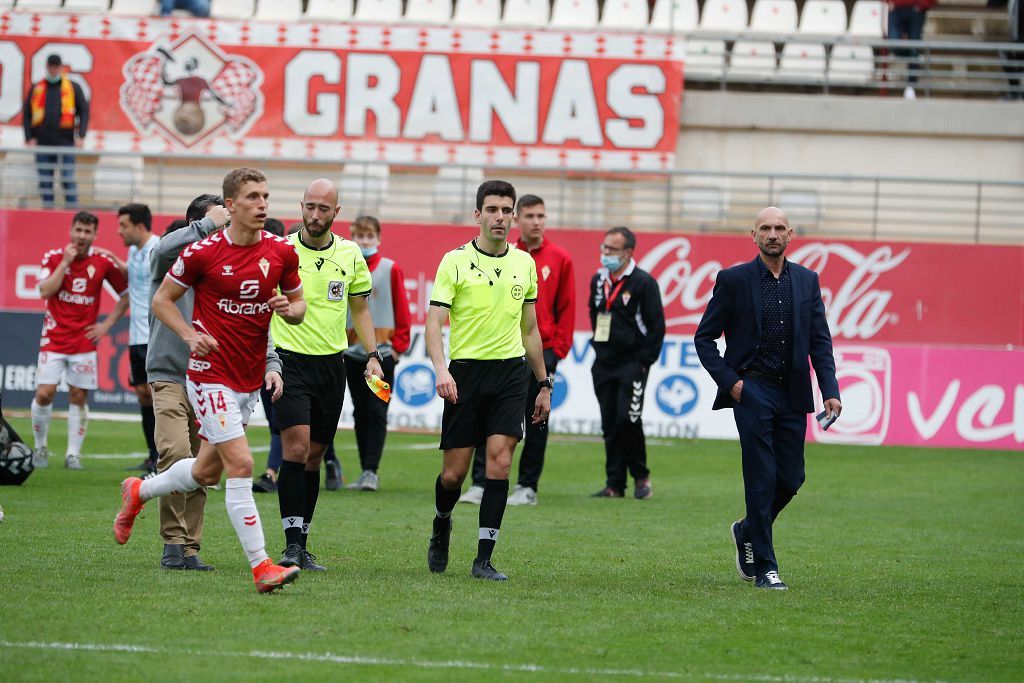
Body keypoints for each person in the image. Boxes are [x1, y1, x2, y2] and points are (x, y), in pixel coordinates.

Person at [115, 168, 306, 593]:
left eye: (266, 196)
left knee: (204, 471)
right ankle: (262, 567)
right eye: (253, 197)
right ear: (231, 205)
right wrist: (189, 335)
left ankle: (138, 492)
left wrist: (288, 309)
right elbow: (163, 300)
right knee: (241, 464)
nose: (262, 204)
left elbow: (299, 306)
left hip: (246, 380)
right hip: (208, 376)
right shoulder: (202, 252)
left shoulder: (280, 252)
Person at [694, 206, 842, 591]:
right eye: (765, 228)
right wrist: (732, 383)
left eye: (779, 228)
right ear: (753, 235)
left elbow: (820, 341)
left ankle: (747, 529)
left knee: (791, 478)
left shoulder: (808, 281)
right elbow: (704, 338)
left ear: (790, 234)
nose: (772, 234)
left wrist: (830, 391)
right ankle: (766, 568)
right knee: (760, 478)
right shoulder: (734, 280)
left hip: (793, 392)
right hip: (752, 389)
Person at [144, 197, 282, 571]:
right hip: (171, 372)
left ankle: (190, 546)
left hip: (214, 376)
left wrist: (271, 362)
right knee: (175, 452)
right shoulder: (173, 255)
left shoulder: (231, 267)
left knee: (206, 466)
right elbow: (157, 252)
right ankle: (173, 543)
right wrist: (205, 226)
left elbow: (254, 323)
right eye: (218, 222)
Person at [425, 179, 552, 582]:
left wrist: (544, 383)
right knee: (454, 476)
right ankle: (442, 521)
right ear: (478, 215)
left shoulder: (524, 263)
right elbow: (433, 323)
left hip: (510, 374)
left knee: (499, 463)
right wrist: (441, 370)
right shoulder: (455, 261)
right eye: (492, 210)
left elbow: (530, 330)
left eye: (506, 210)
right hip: (465, 373)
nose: (500, 217)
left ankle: (484, 558)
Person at [271, 179, 382, 571]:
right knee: (296, 450)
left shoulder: (351, 255)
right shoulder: (280, 250)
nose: (315, 215)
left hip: (331, 365)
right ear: (301, 206)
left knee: (315, 456)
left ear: (337, 213)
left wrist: (372, 354)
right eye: (310, 207)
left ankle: (301, 543)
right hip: (289, 361)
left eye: (323, 209)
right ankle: (288, 545)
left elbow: (361, 310)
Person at [460, 194, 575, 506]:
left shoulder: (560, 258)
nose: (536, 222)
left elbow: (567, 307)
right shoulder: (505, 255)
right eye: (530, 216)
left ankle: (527, 486)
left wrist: (557, 351)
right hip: (501, 351)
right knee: (489, 418)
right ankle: (481, 482)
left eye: (541, 216)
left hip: (543, 349)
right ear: (516, 220)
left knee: (537, 418)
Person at [32, 211, 128, 470]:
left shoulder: (102, 261)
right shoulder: (53, 258)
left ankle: (72, 454)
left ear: (95, 235)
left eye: (87, 232)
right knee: (44, 393)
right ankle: (40, 447)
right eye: (79, 230)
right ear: (71, 231)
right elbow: (44, 291)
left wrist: (106, 325)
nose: (82, 236)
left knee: (77, 396)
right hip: (53, 338)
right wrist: (65, 264)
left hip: (84, 342)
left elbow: (126, 294)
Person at [588, 227, 665, 500]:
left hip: (632, 364)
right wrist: (599, 347)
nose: (605, 253)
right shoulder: (599, 280)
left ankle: (641, 477)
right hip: (603, 363)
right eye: (604, 247)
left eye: (612, 249)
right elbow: (594, 313)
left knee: (628, 420)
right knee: (610, 423)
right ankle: (614, 484)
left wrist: (644, 362)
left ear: (628, 252)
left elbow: (657, 328)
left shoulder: (644, 283)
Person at [342, 215, 412, 492]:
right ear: (352, 237)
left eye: (369, 236)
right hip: (351, 356)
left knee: (377, 410)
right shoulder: (345, 268)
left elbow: (402, 308)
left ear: (378, 239)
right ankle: (364, 470)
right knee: (360, 412)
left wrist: (397, 348)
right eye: (360, 236)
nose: (364, 241)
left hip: (381, 358)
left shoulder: (389, 269)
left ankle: (371, 470)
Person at [113, 203, 161, 475]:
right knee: (143, 395)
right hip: (135, 336)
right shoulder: (133, 252)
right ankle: (152, 454)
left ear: (139, 226)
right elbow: (134, 283)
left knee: (157, 396)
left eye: (124, 226)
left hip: (153, 333)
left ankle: (164, 456)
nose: (120, 231)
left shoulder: (157, 248)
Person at [22, 54, 89, 208]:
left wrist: (82, 134)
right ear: (47, 67)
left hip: (66, 141)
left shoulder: (72, 87)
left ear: (61, 67)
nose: (53, 69)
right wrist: (29, 137)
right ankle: (47, 212)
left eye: (56, 66)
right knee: (45, 181)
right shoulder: (37, 88)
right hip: (43, 142)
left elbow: (84, 111)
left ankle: (71, 212)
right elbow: (27, 114)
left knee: (68, 178)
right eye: (51, 66)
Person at [887, 0, 936, 99]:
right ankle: (916, 58)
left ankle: (911, 86)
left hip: (916, 10)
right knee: (893, 46)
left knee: (914, 47)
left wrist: (922, 5)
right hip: (896, 9)